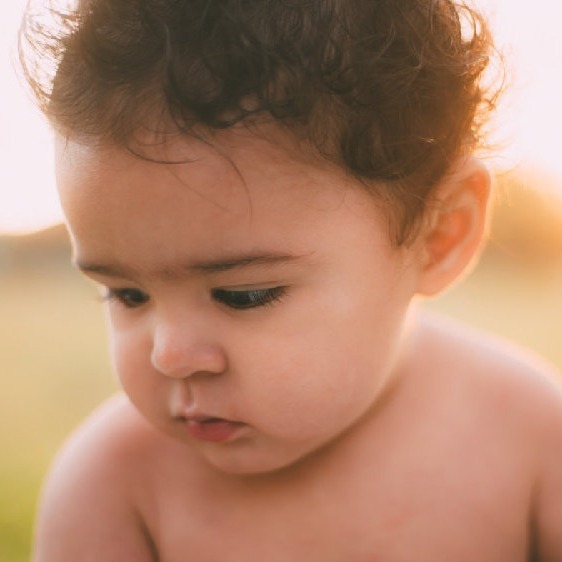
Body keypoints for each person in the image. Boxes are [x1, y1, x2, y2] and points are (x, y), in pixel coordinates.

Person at [19, 1, 562, 560]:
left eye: (242, 295)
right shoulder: (116, 489)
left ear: (438, 233)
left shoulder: (532, 440)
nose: (171, 355)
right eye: (128, 294)